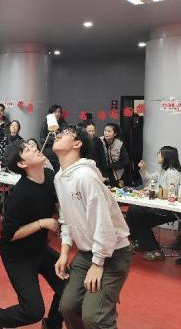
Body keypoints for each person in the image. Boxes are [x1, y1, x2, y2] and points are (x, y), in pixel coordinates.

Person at [52, 125, 132, 329]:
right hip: (88, 252)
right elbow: (66, 218)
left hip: (113, 252)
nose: (58, 135)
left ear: (77, 144)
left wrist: (97, 264)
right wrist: (64, 252)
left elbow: (103, 224)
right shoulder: (59, 177)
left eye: (65, 134)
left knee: (94, 318)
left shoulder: (86, 176)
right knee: (68, 307)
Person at [0, 141, 63, 329]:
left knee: (70, 288)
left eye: (31, 145)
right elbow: (9, 235)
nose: (34, 148)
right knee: (33, 311)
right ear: (22, 164)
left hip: (39, 248)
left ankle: (52, 325)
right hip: (18, 255)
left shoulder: (50, 176)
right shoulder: (20, 194)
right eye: (27, 149)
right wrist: (42, 223)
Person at [125, 146, 181, 262]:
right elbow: (149, 179)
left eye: (159, 153)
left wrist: (152, 191)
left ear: (166, 156)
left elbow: (171, 192)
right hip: (158, 207)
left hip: (168, 210)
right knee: (133, 211)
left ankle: (149, 247)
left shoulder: (173, 173)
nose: (157, 155)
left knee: (137, 214)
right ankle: (140, 242)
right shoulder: (162, 170)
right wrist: (143, 169)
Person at [40, 104, 68, 171]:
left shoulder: (64, 124)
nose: (57, 114)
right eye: (55, 112)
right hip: (48, 154)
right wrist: (54, 139)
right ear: (50, 114)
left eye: (59, 112)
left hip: (60, 155)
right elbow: (42, 139)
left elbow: (66, 138)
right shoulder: (45, 124)